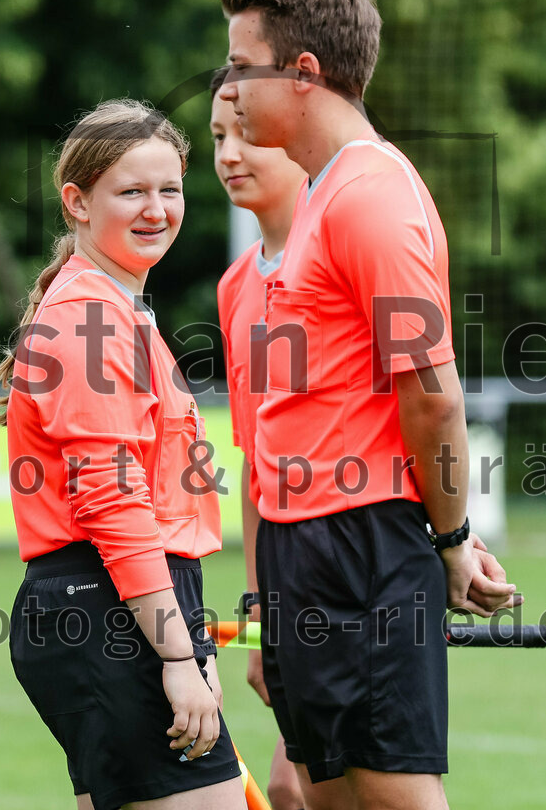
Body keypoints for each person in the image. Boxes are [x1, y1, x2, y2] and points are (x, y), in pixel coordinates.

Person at [216, 0, 522, 810]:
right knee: (325, 794)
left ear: (305, 74)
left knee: (392, 794)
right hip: (302, 545)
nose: (232, 93)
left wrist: (452, 537)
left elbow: (432, 391)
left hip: (363, 541)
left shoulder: (371, 195)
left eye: (245, 69)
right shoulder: (321, 197)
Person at [0, 100, 246, 810]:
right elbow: (112, 503)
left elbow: (162, 511)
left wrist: (197, 645)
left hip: (127, 609)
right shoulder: (91, 318)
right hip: (104, 611)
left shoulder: (119, 310)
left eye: (170, 189)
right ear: (77, 202)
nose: (157, 209)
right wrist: (175, 655)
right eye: (131, 191)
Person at [210, 67, 313, 810]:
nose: (228, 153)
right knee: (288, 786)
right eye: (217, 136)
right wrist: (258, 602)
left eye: (246, 133)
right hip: (289, 571)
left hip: (362, 562)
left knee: (294, 781)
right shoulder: (235, 284)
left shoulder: (342, 249)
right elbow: (255, 459)